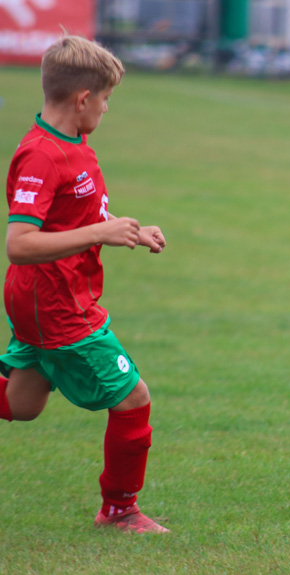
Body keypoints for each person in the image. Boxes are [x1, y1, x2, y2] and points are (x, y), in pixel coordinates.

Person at [0, 35, 169, 532]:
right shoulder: (42, 156)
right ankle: (119, 510)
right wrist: (101, 232)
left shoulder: (75, 148)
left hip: (56, 295)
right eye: (106, 98)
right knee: (134, 398)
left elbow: (78, 216)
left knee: (22, 405)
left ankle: (119, 509)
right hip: (55, 302)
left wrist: (128, 231)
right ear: (82, 99)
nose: (106, 108)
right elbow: (20, 243)